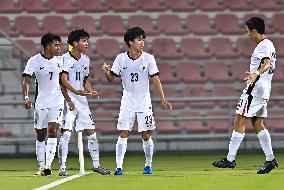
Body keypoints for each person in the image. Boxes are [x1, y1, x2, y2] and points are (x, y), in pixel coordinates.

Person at [102, 27, 172, 175]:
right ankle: (119, 167)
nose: (142, 42)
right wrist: (107, 72)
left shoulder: (148, 58)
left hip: (144, 102)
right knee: (123, 133)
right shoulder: (121, 58)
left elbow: (156, 79)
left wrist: (163, 98)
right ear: (130, 42)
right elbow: (111, 78)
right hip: (127, 101)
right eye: (139, 39)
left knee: (146, 135)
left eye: (143, 39)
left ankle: (148, 165)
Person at [212, 17, 278, 174]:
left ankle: (230, 159)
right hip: (264, 91)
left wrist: (255, 72)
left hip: (254, 91)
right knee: (257, 124)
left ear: (254, 31)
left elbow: (266, 64)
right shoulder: (270, 44)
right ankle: (271, 160)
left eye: (248, 31)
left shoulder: (262, 46)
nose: (248, 34)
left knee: (239, 120)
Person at [58, 28, 111, 176]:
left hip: (82, 100)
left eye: (87, 40)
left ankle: (96, 165)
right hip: (68, 99)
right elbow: (63, 81)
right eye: (83, 40)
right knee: (66, 134)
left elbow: (85, 80)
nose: (87, 43)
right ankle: (62, 166)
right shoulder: (64, 59)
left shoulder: (86, 59)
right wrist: (75, 93)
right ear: (74, 43)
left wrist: (91, 90)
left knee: (92, 134)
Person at [22, 33, 64, 176]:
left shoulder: (60, 61)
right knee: (41, 135)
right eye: (56, 45)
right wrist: (26, 97)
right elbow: (26, 80)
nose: (59, 47)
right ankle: (41, 166)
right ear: (47, 46)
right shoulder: (34, 61)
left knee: (53, 131)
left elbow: (63, 82)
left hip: (57, 102)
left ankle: (48, 165)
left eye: (59, 45)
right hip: (41, 102)